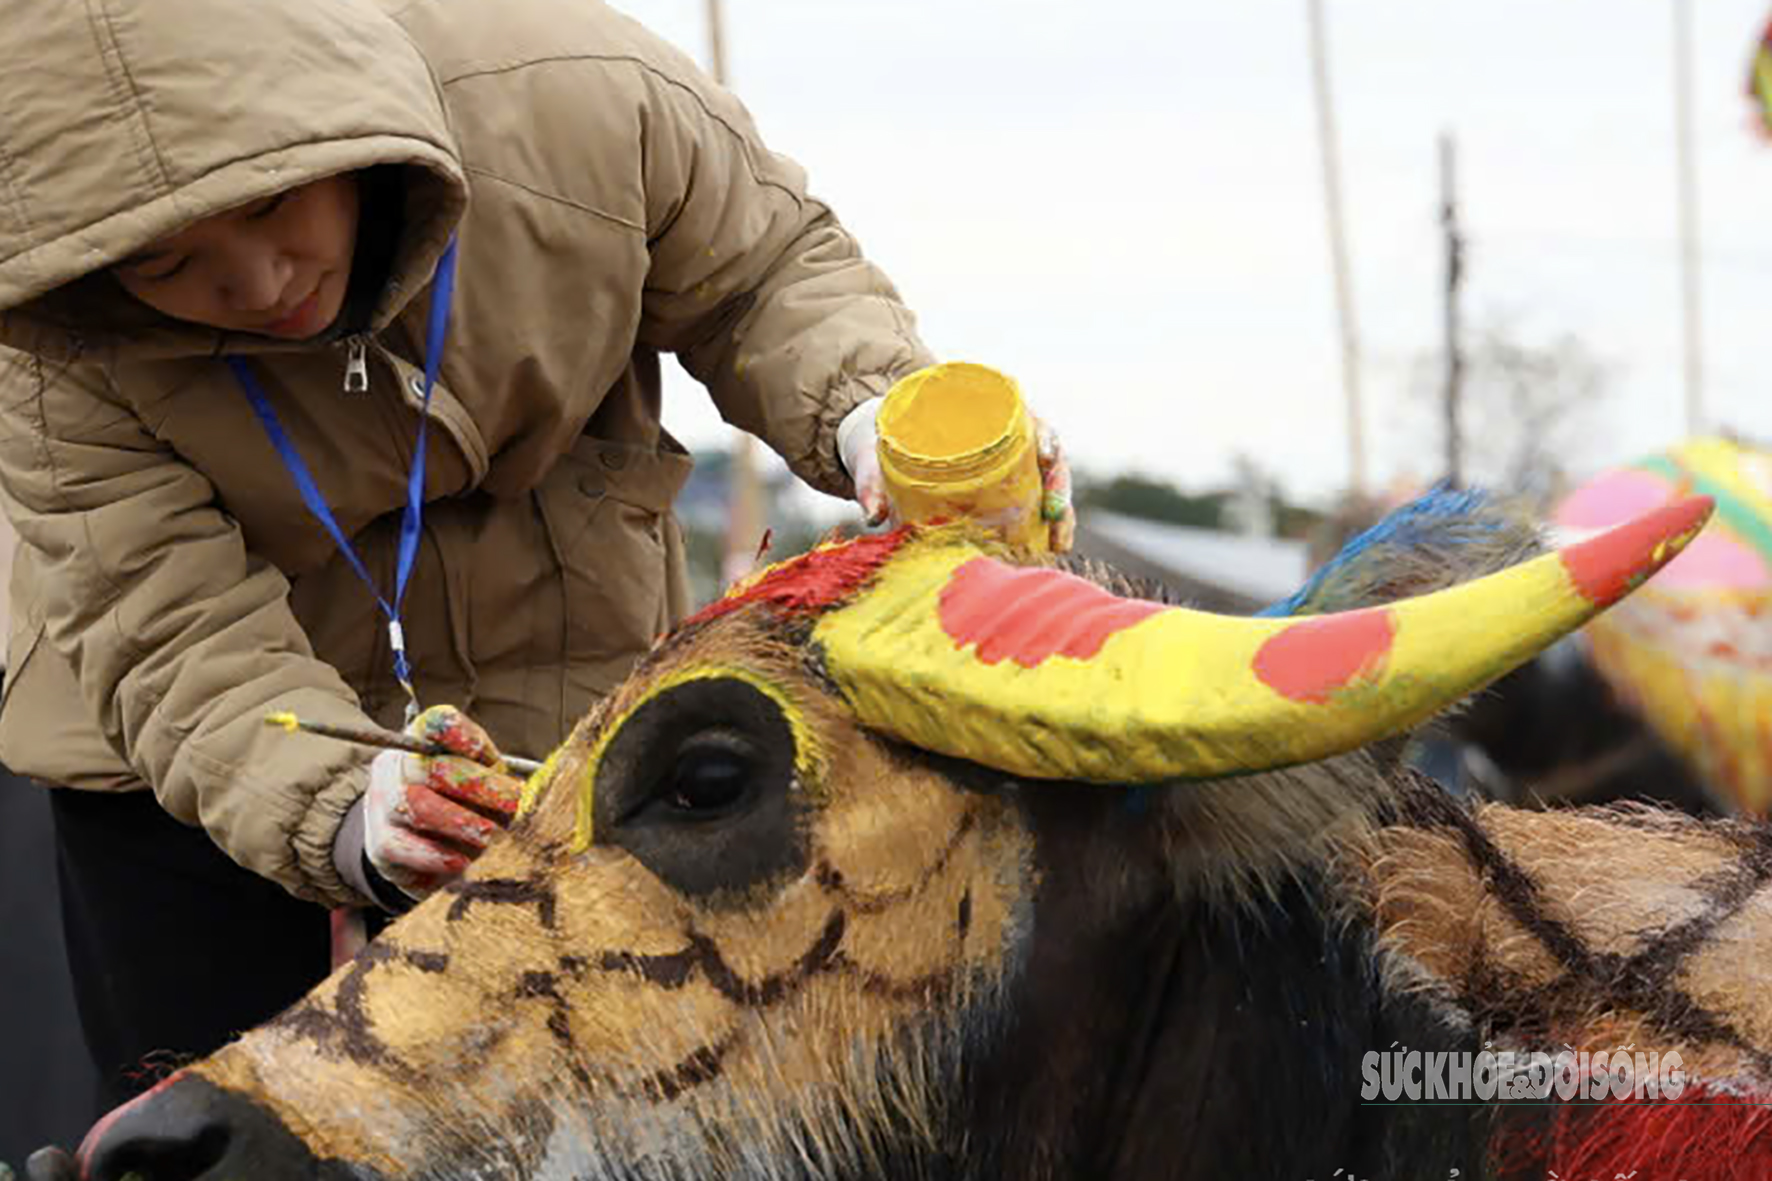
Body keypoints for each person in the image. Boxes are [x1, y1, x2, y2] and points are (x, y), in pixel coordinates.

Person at [0, 0, 1074, 1112]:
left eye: (276, 203)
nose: (260, 282)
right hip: (196, 766)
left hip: (565, 687)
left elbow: (763, 276)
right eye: (169, 265)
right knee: (218, 1124)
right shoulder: (41, 336)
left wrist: (865, 406)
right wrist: (335, 805)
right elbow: (168, 625)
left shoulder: (580, 91)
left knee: (610, 1106)